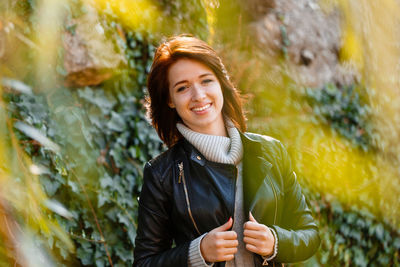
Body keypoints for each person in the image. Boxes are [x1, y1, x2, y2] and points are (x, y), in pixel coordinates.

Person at [133, 35, 320, 267]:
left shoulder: (270, 152)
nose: (199, 95)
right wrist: (197, 252)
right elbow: (144, 263)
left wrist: (276, 241)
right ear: (170, 99)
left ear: (221, 82)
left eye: (206, 81)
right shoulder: (162, 173)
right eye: (182, 88)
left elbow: (310, 234)